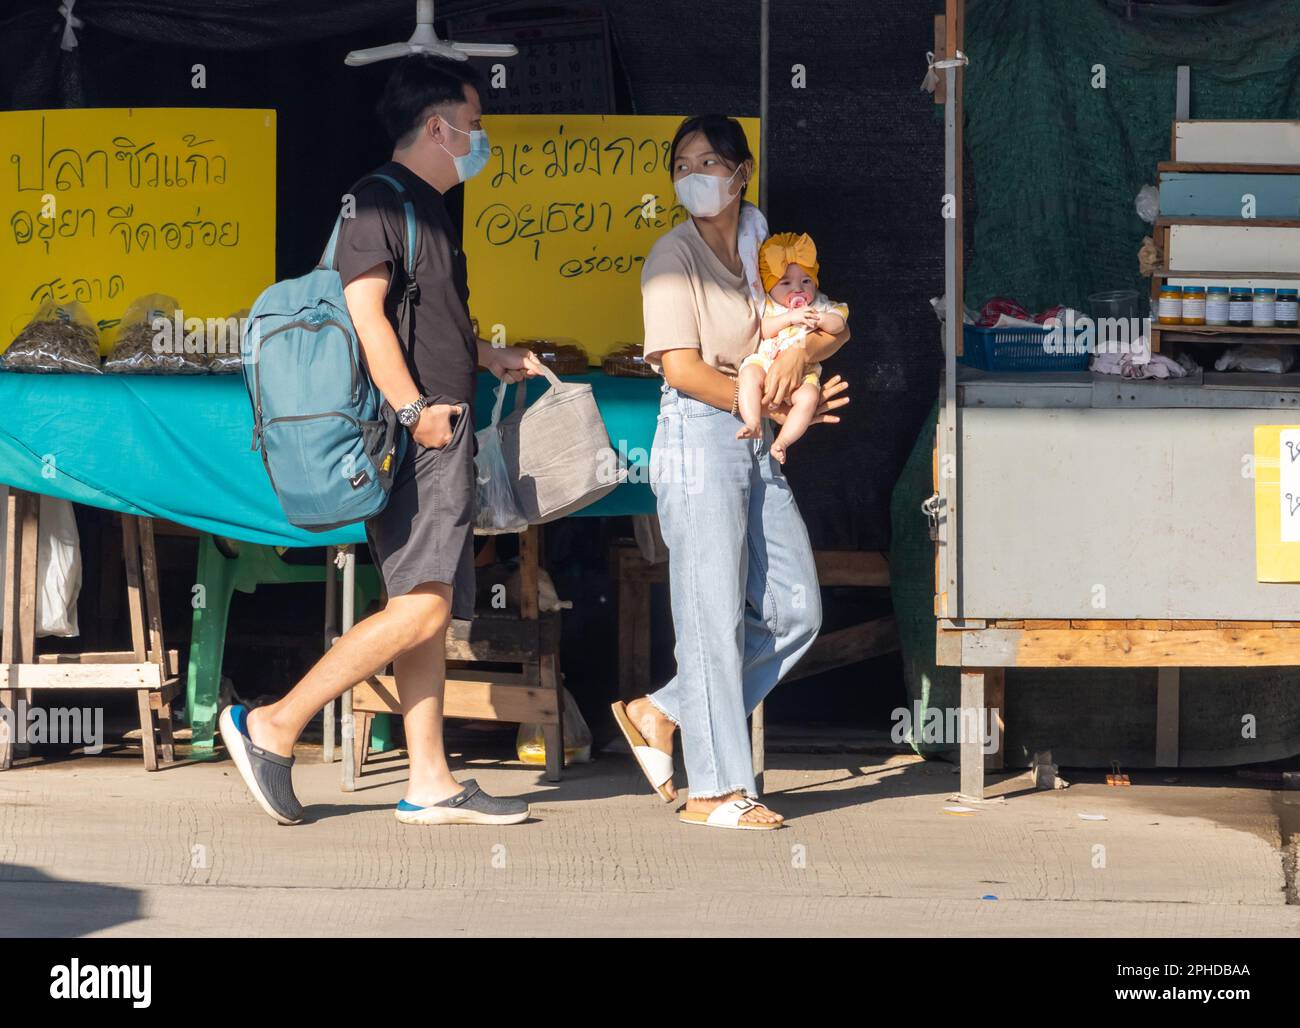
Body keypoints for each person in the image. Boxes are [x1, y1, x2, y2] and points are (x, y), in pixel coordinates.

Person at [220, 56, 543, 827]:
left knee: (421, 603)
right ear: (438, 127)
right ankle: (273, 723)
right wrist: (414, 409)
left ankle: (429, 779)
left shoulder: (423, 208)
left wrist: (481, 356)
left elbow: (417, 320)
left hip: (438, 428)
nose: (480, 139)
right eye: (474, 123)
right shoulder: (376, 202)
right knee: (426, 610)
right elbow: (365, 315)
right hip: (414, 436)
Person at [611, 115, 851, 830]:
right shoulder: (669, 259)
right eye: (683, 163)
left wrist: (797, 361)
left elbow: (816, 323)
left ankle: (664, 711)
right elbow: (682, 370)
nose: (697, 174)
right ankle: (714, 791)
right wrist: (772, 404)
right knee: (710, 613)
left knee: (796, 608)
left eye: (711, 160)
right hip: (698, 432)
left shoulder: (761, 239)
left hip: (752, 431)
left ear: (742, 172)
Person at [738, 232, 848, 463]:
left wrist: (820, 319)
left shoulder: (819, 304)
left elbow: (840, 326)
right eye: (785, 283)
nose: (797, 289)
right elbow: (764, 330)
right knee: (748, 375)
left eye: (806, 281)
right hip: (765, 362)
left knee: (809, 397)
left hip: (803, 373)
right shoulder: (768, 305)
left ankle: (783, 441)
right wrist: (789, 317)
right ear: (769, 286)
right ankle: (753, 422)